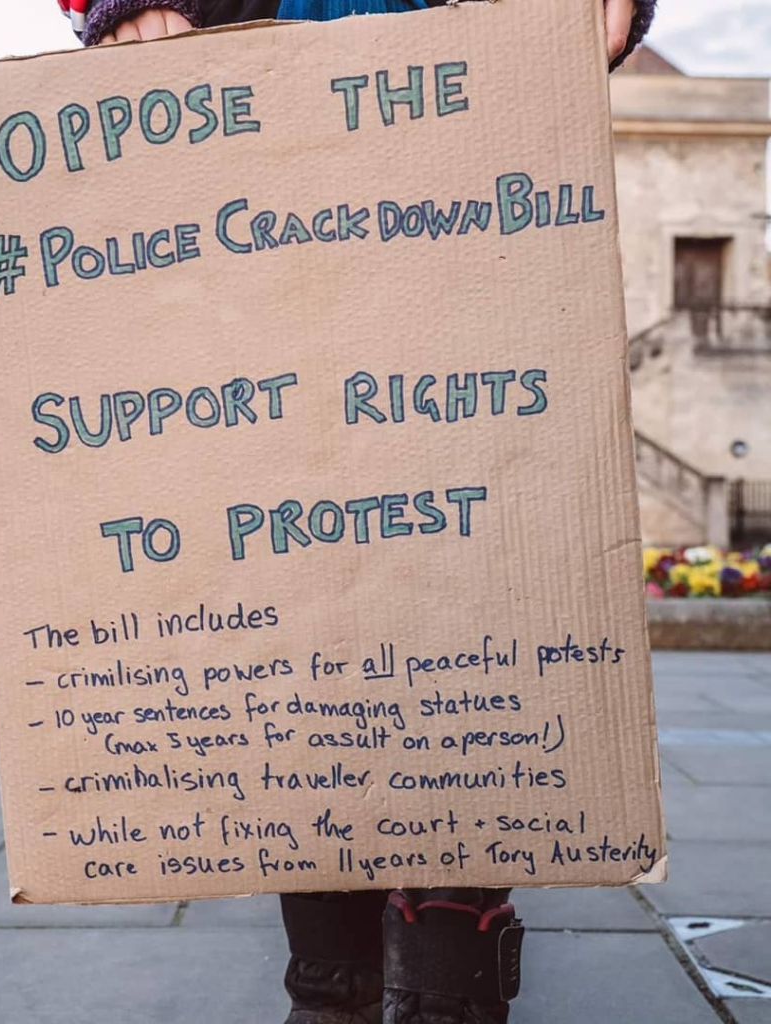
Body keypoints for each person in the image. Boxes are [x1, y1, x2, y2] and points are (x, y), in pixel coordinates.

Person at [53, 1, 657, 1021]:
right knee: (299, 591)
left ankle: (446, 972)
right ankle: (334, 974)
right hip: (255, 92)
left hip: (469, 99)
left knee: (466, 546)